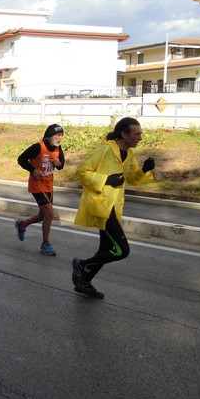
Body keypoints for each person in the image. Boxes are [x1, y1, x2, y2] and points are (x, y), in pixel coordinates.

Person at [71, 117, 156, 299]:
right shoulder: (104, 150)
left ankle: (84, 281)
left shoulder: (129, 154)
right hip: (102, 206)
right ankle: (82, 265)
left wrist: (145, 170)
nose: (140, 137)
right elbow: (80, 173)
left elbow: (132, 178)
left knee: (106, 249)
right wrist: (106, 180)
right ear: (123, 134)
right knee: (121, 250)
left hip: (114, 207)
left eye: (141, 133)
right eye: (137, 134)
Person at [14, 123, 65, 256]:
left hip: (49, 184)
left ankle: (22, 224)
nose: (60, 138)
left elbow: (61, 165)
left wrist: (58, 164)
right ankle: (45, 244)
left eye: (61, 136)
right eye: (57, 135)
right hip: (37, 184)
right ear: (49, 136)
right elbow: (21, 159)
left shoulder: (58, 148)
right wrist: (33, 170)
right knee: (49, 214)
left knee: (43, 215)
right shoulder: (38, 147)